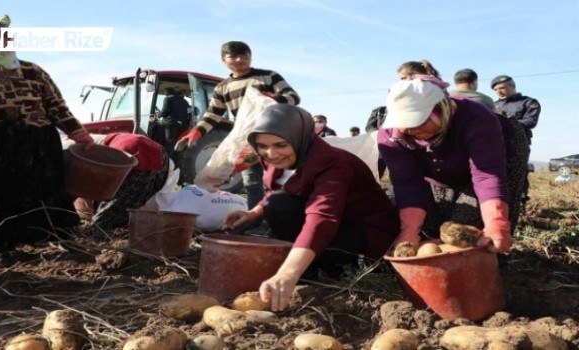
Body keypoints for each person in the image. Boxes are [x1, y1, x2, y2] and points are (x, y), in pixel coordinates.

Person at [0, 15, 94, 267]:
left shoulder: (32, 71)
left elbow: (55, 105)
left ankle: (60, 237)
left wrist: (77, 132)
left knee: (48, 189)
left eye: (2, 35)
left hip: (35, 142)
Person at [223, 104, 399, 311]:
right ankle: (307, 273)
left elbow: (322, 218)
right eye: (262, 145)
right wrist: (253, 212)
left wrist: (287, 272)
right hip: (326, 225)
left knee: (298, 219)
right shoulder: (275, 158)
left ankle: (338, 270)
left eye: (280, 144)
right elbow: (279, 190)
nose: (271, 153)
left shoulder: (333, 163)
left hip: (362, 231)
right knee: (277, 204)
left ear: (299, 138)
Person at [378, 77, 529, 256]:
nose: (411, 130)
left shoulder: (475, 118)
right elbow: (407, 182)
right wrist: (409, 230)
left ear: (440, 108)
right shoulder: (392, 136)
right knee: (438, 231)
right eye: (406, 124)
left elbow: (486, 174)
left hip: (496, 155)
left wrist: (497, 222)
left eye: (418, 121)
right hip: (440, 166)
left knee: (469, 234)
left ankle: (491, 260)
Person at [176, 41, 300, 234]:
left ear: (250, 56)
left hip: (274, 136)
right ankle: (255, 224)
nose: (240, 59)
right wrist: (198, 131)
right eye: (233, 56)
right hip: (246, 142)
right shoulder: (223, 88)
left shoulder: (268, 77)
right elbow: (212, 115)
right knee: (252, 182)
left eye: (244, 55)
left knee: (276, 179)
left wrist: (273, 100)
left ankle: (277, 223)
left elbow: (293, 97)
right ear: (223, 60)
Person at [80, 134, 169, 236]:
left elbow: (91, 187)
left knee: (117, 202)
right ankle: (109, 226)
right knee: (135, 198)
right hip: (159, 152)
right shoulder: (89, 137)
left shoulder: (80, 149)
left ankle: (98, 232)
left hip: (131, 152)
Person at [491, 75, 541, 204]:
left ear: (512, 86)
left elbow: (531, 121)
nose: (498, 92)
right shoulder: (493, 105)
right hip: (497, 144)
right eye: (495, 90)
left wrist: (508, 122)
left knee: (518, 174)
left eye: (502, 88)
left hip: (518, 145)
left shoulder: (528, 102)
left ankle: (521, 202)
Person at [159, 87, 191, 160]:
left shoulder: (168, 98)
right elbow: (189, 111)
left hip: (171, 123)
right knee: (175, 141)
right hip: (182, 124)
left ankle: (169, 160)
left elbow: (165, 111)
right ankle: (177, 158)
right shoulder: (184, 101)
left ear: (167, 93)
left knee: (169, 142)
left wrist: (159, 115)